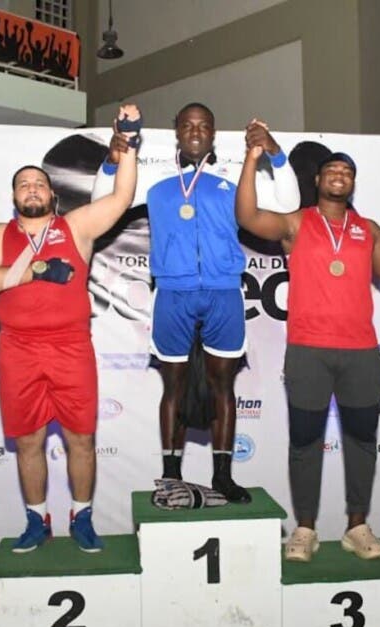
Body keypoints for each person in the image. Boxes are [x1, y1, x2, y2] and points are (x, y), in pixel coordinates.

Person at [93, 103, 300, 503]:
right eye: (187, 125)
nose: (195, 131)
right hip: (172, 293)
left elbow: (288, 203)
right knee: (175, 386)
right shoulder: (154, 177)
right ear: (176, 131)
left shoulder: (231, 175)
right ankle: (171, 475)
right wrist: (111, 158)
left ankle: (222, 475)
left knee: (223, 385)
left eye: (203, 125)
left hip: (223, 291)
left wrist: (275, 152)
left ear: (213, 132)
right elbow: (104, 201)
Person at [235, 146, 380, 561]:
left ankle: (356, 526)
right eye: (331, 170)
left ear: (352, 183)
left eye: (346, 170)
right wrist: (253, 158)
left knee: (362, 441)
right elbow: (248, 217)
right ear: (318, 180)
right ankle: (304, 529)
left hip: (361, 353)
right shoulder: (297, 223)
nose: (339, 174)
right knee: (305, 443)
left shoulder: (369, 229)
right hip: (308, 352)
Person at [0, 105, 140, 554]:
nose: (32, 189)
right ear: (14, 198)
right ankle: (36, 520)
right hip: (19, 350)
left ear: (52, 195)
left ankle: (81, 517)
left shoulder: (75, 227)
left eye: (39, 183)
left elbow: (121, 198)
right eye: (24, 184)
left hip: (70, 348)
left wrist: (131, 142)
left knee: (81, 439)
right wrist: (36, 271)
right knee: (29, 441)